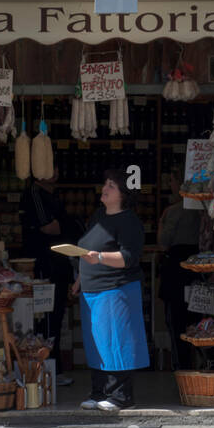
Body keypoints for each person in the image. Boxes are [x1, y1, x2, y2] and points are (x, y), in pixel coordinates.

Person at [72, 169, 149, 411]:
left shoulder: (129, 222)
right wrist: (78, 280)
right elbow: (87, 249)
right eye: (105, 183)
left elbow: (128, 257)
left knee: (117, 341)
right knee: (97, 342)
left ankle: (120, 396)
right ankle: (98, 392)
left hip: (116, 289)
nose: (105, 188)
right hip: (91, 289)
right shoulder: (97, 216)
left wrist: (102, 257)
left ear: (124, 195)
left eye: (112, 186)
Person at [20, 164, 82, 384]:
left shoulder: (52, 194)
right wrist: (66, 225)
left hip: (59, 263)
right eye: (51, 166)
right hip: (45, 264)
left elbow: (59, 226)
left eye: (56, 166)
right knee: (46, 318)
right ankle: (48, 371)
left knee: (55, 317)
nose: (56, 171)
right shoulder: (35, 193)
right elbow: (50, 227)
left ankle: (53, 369)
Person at [157, 171, 202, 370]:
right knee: (198, 316)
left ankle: (182, 366)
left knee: (176, 319)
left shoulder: (174, 211)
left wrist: (160, 222)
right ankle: (202, 361)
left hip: (177, 267)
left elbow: (163, 243)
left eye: (172, 180)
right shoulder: (203, 209)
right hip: (199, 266)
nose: (171, 185)